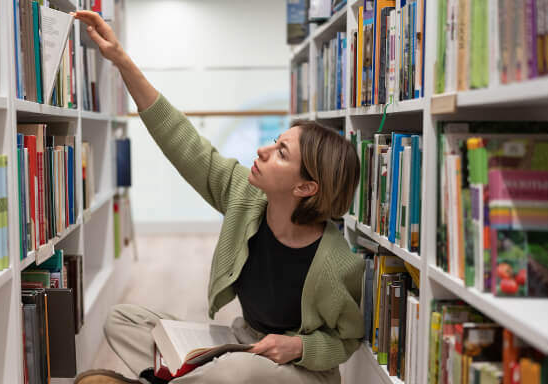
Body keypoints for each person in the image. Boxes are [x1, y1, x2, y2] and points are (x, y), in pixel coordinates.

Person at [71, 10, 364, 384]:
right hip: (243, 343)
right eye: (275, 142)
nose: (262, 151)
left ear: (305, 188)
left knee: (237, 370)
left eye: (281, 153)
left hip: (299, 372)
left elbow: (347, 339)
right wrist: (121, 60)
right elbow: (183, 142)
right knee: (124, 321)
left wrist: (299, 347)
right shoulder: (245, 196)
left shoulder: (337, 262)